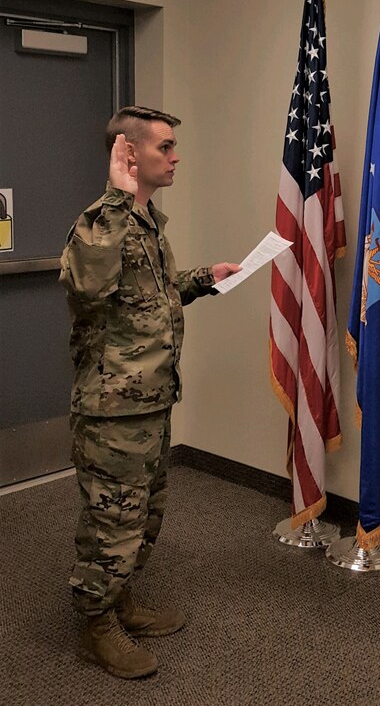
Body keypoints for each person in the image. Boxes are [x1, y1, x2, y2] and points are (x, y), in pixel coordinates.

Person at [59, 106, 240, 679]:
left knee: (144, 514)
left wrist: (205, 277)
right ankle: (96, 625)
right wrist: (115, 197)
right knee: (111, 523)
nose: (176, 156)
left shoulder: (145, 223)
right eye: (165, 146)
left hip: (151, 401)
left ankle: (121, 601)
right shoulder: (100, 221)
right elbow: (88, 289)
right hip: (111, 410)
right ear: (130, 154)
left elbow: (146, 298)